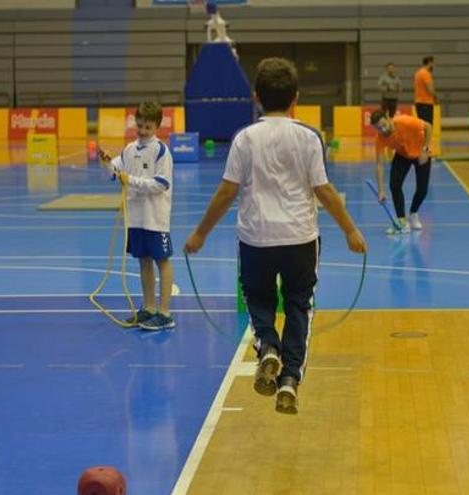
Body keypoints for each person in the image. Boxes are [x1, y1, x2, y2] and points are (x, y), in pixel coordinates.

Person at [184, 57, 366, 415]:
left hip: (256, 240)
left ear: (256, 97)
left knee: (259, 299)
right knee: (299, 305)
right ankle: (290, 380)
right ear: (296, 97)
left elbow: (226, 192)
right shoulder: (309, 137)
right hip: (300, 238)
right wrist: (350, 229)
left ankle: (268, 346)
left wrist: (200, 233)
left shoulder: (245, 138)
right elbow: (324, 190)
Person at [97, 102, 176, 331]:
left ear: (157, 126)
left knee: (162, 260)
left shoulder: (161, 151)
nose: (142, 131)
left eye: (147, 127)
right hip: (136, 218)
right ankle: (149, 308)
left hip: (155, 218)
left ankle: (165, 313)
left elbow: (161, 184)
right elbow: (115, 172)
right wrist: (107, 162)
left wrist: (130, 180)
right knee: (143, 261)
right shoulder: (130, 150)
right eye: (139, 125)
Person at [370, 109, 433, 234]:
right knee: (394, 184)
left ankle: (413, 213)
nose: (382, 130)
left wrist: (425, 149)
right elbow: (379, 165)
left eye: (383, 125)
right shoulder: (380, 138)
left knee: (422, 189)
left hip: (420, 152)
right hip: (403, 155)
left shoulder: (405, 122)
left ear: (388, 117)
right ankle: (402, 221)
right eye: (378, 128)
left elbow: (428, 127)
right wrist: (381, 190)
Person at [413, 56, 437, 125]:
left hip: (419, 102)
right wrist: (435, 97)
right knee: (428, 125)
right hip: (426, 103)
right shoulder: (426, 74)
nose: (433, 65)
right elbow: (430, 89)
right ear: (429, 62)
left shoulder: (418, 73)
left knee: (422, 125)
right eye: (433, 63)